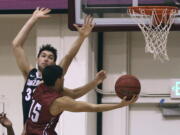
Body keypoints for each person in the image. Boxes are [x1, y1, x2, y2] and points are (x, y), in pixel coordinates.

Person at [12, 7, 95, 124]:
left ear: (54, 64)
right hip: (28, 129)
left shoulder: (54, 81)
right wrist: (33, 18)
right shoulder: (30, 74)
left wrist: (81, 37)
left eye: (50, 57)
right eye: (43, 55)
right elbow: (16, 45)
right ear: (37, 59)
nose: (46, 59)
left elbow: (69, 56)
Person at [26, 65, 138, 135]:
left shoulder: (40, 87)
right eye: (62, 77)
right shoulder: (59, 102)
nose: (64, 79)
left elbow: (75, 93)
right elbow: (92, 108)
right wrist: (120, 105)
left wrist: (96, 81)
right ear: (57, 80)